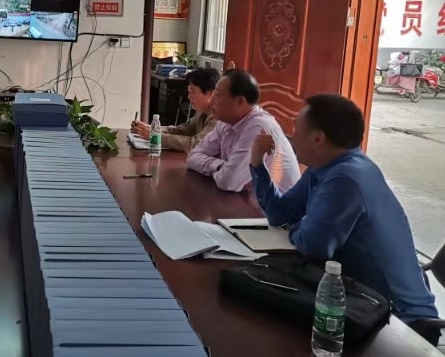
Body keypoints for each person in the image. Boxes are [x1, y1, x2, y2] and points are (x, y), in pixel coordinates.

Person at [250, 94, 439, 345]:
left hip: (400, 325)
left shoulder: (346, 178)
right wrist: (258, 165)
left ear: (318, 139)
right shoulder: (324, 167)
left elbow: (313, 245)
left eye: (296, 128)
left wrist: (298, 227)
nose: (291, 135)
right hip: (358, 299)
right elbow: (280, 213)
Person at [187, 69, 299, 192]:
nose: (212, 101)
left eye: (217, 95)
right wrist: (220, 166)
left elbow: (229, 182)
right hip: (247, 197)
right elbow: (192, 157)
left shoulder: (258, 127)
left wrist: (225, 170)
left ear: (240, 102)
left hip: (275, 203)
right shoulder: (225, 122)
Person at [131, 67, 220, 152]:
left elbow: (195, 144)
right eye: (188, 92)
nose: (189, 97)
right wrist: (152, 129)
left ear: (210, 93)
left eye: (193, 92)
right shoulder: (202, 111)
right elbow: (182, 130)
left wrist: (157, 137)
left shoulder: (219, 117)